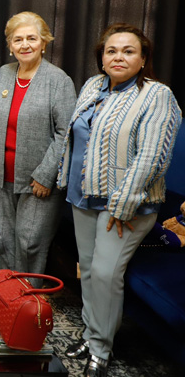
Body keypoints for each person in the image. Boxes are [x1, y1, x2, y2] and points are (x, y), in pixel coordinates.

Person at [57, 23, 181, 377]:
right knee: (88, 269)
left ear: (143, 59)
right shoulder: (93, 86)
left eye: (128, 51)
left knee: (106, 273)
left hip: (127, 206)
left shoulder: (157, 95)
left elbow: (153, 156)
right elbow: (76, 137)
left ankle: (101, 347)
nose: (118, 57)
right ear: (102, 57)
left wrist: (124, 203)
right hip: (83, 197)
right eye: (111, 51)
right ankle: (90, 332)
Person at [0, 11, 76, 283]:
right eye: (18, 39)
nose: (25, 45)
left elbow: (66, 132)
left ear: (43, 43)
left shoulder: (58, 80)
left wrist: (46, 175)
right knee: (1, 235)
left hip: (38, 180)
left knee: (29, 241)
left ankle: (27, 297)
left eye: (32, 38)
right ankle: (6, 293)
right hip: (1, 175)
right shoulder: (3, 73)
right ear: (10, 45)